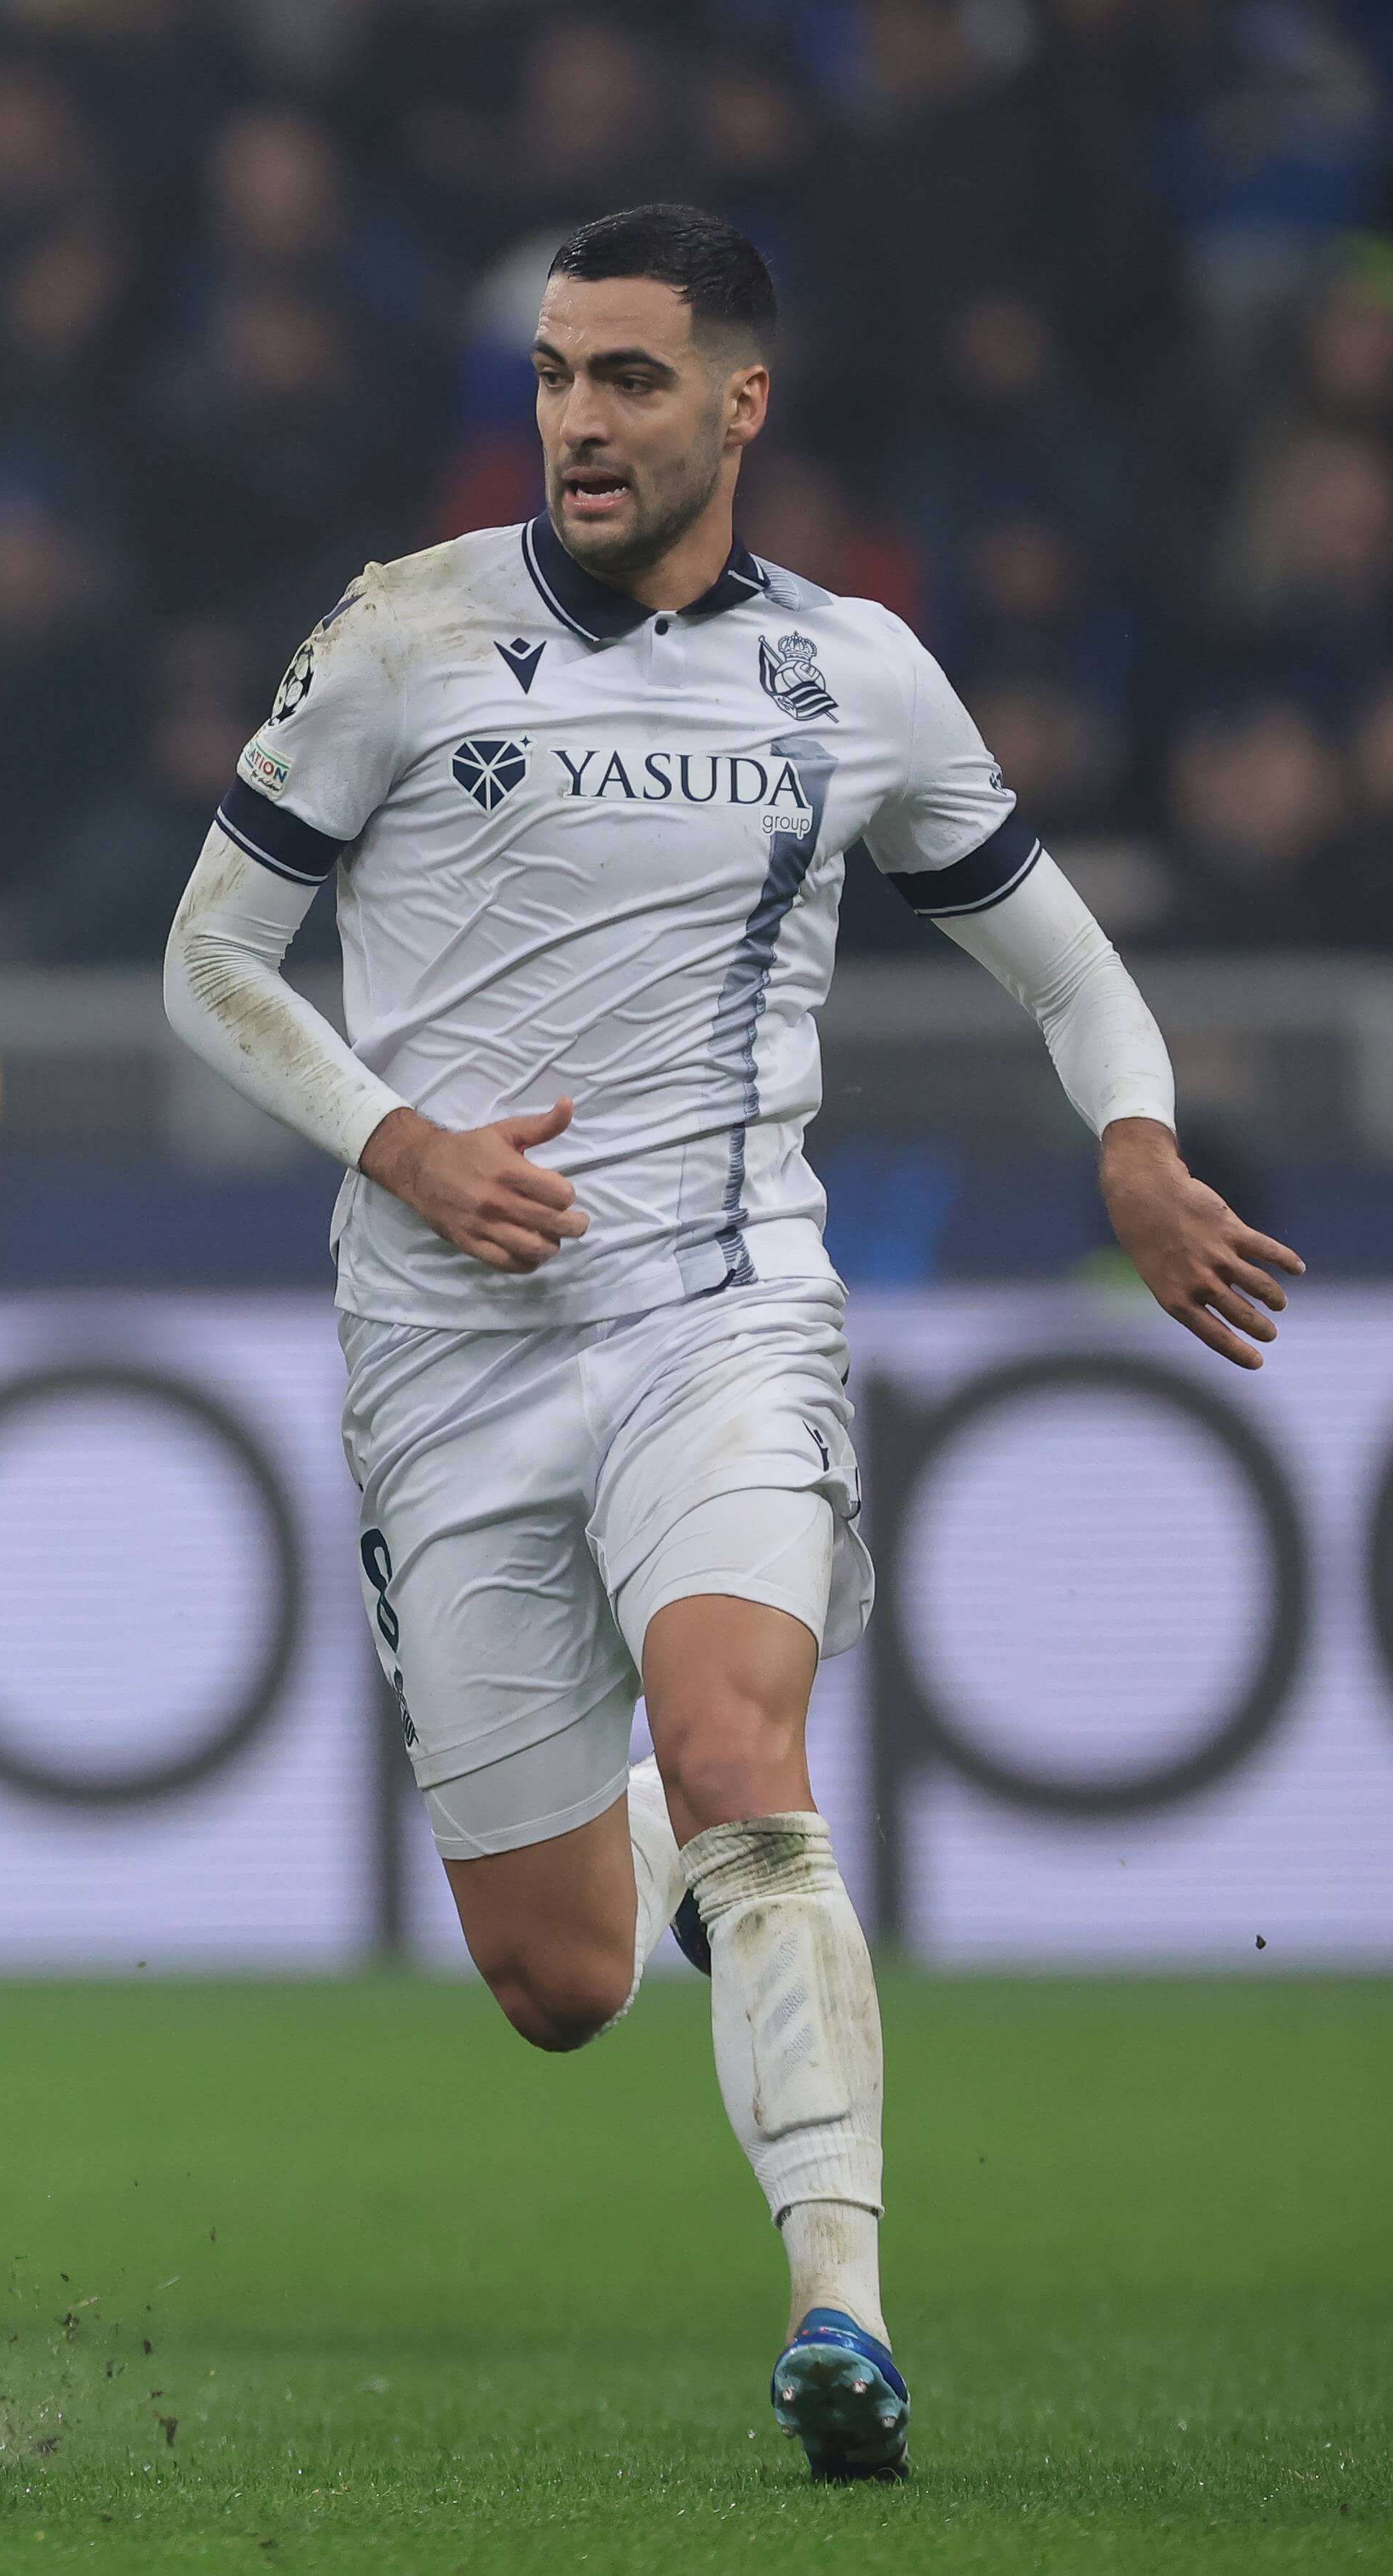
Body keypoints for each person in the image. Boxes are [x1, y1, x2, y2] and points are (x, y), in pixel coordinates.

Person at [160, 205, 1302, 2482]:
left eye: (629, 381)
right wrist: (400, 1147)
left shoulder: (855, 674)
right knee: (560, 1980)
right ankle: (691, 1888)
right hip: (446, 1348)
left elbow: (1063, 968)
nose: (577, 422)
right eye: (558, 379)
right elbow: (213, 959)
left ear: (737, 406)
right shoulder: (403, 634)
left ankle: (839, 2311)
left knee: (739, 1756)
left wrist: (1140, 1146)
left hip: (721, 1303)